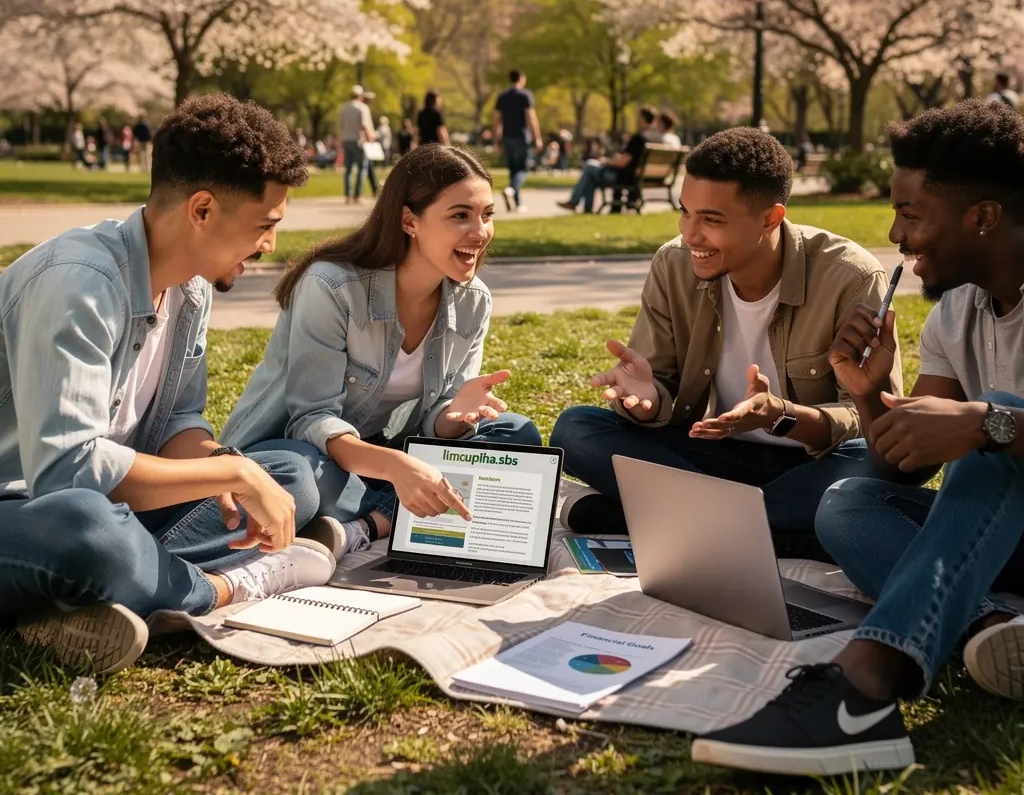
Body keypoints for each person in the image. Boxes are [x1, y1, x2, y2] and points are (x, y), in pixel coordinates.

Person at [691, 102, 1024, 777]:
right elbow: (901, 461)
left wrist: (988, 422)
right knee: (848, 502)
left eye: (910, 213)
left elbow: (984, 429)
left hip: (1003, 515)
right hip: (1002, 539)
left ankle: (867, 687)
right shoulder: (955, 310)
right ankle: (986, 627)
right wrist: (868, 392)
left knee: (1001, 421)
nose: (897, 235)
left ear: (981, 217)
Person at [0, 95, 332, 675]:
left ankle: (88, 599)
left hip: (104, 501)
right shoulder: (78, 283)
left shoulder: (190, 288)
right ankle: (216, 590)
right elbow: (64, 474)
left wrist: (227, 467)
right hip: (33, 510)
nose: (271, 245)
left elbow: (179, 420)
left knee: (290, 478)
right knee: (90, 530)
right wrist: (232, 472)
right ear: (202, 209)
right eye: (266, 224)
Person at [551, 127, 903, 547]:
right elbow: (655, 389)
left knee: (872, 464)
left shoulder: (851, 276)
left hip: (811, 465)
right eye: (685, 212)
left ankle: (673, 519)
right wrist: (647, 404)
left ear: (770, 218)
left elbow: (869, 422)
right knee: (576, 429)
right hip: (709, 456)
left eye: (711, 220)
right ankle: (775, 531)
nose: (690, 234)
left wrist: (781, 416)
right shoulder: (674, 265)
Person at [220, 145, 543, 560]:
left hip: (387, 453)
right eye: (460, 215)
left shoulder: (473, 300)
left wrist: (453, 417)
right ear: (409, 220)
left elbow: (435, 421)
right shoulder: (332, 286)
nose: (480, 232)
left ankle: (370, 525)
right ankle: (401, 513)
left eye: (487, 215)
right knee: (302, 477)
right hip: (304, 451)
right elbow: (312, 421)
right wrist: (395, 468)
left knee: (518, 435)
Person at [556, 108, 653, 215]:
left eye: (638, 117)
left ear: (643, 119)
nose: (636, 119)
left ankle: (574, 202)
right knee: (590, 173)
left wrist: (606, 161)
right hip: (632, 176)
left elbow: (623, 162)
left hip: (621, 176)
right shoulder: (650, 139)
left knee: (589, 166)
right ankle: (586, 209)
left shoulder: (638, 138)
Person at [494, 70, 542, 213]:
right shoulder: (525, 95)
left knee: (513, 169)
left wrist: (497, 140)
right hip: (521, 137)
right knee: (523, 168)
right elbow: (531, 118)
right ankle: (511, 189)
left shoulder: (502, 97)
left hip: (507, 137)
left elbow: (497, 121)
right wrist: (537, 137)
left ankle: (517, 203)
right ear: (521, 79)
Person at [338, 85, 377, 204]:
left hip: (346, 140)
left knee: (348, 169)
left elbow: (341, 126)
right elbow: (365, 124)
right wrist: (371, 137)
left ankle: (347, 196)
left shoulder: (343, 108)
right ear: (360, 96)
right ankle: (357, 196)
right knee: (362, 168)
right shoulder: (362, 108)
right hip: (359, 141)